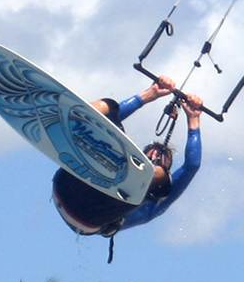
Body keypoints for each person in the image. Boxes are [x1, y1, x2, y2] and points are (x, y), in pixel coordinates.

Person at [51, 75, 202, 238]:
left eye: (161, 161)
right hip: (67, 187)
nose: (156, 158)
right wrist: (149, 94)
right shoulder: (112, 157)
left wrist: (194, 120)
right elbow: (104, 120)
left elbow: (191, 166)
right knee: (106, 106)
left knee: (158, 177)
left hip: (91, 217)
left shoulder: (156, 199)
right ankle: (71, 118)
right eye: (152, 155)